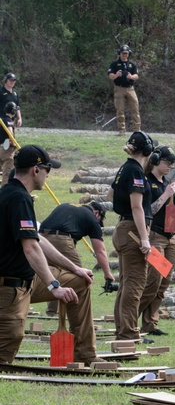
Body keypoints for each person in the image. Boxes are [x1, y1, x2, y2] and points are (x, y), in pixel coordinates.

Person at [0, 145, 101, 364]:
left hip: (28, 280)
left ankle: (85, 355)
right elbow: (31, 248)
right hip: (10, 287)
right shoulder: (18, 198)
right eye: (48, 170)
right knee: (7, 347)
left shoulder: (17, 194)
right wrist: (53, 286)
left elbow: (38, 240)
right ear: (36, 170)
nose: (47, 175)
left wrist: (74, 268)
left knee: (80, 281)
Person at [111, 131, 155, 340]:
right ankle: (128, 332)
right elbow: (137, 207)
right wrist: (144, 238)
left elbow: (110, 195)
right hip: (133, 229)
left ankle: (123, 329)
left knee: (127, 282)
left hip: (124, 227)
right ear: (147, 151)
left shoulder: (125, 168)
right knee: (136, 283)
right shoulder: (136, 171)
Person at [39, 202, 116, 315]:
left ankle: (52, 312)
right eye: (99, 219)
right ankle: (79, 317)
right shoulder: (92, 218)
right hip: (62, 239)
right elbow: (100, 250)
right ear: (96, 213)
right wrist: (108, 273)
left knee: (54, 274)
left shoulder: (67, 206)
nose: (98, 222)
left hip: (41, 238)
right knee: (81, 278)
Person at [137, 145, 175, 336]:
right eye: (167, 162)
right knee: (153, 280)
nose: (170, 165)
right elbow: (149, 211)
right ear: (155, 161)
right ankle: (129, 319)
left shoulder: (167, 183)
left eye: (172, 162)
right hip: (155, 236)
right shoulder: (147, 182)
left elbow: (173, 210)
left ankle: (150, 324)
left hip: (171, 238)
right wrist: (166, 195)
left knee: (164, 282)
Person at [108, 45, 140, 134]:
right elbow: (110, 75)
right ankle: (122, 130)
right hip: (119, 88)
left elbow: (136, 75)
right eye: (123, 53)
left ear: (129, 54)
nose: (124, 55)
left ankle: (137, 130)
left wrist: (130, 76)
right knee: (120, 110)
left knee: (135, 108)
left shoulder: (132, 64)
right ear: (119, 53)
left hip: (130, 88)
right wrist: (116, 75)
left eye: (126, 53)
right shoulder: (114, 64)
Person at [1, 102, 17, 185]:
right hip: (7, 150)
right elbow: (10, 132)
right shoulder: (9, 121)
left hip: (1, 147)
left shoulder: (2, 119)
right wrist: (14, 144)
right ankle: (4, 191)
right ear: (13, 111)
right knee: (7, 172)